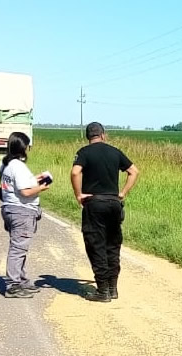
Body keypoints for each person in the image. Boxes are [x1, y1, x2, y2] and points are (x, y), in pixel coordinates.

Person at [70, 122, 140, 302]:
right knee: (113, 244)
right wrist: (122, 193)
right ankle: (112, 287)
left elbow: (75, 172)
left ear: (88, 137)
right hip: (114, 203)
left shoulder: (84, 153)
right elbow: (133, 171)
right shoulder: (114, 151)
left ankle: (102, 291)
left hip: (95, 203)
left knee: (96, 244)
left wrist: (79, 195)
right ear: (103, 135)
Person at [0, 132, 51, 298]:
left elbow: (16, 183)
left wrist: (35, 178)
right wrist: (41, 188)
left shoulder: (4, 163)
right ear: (23, 147)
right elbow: (25, 191)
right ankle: (13, 285)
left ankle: (21, 279)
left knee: (19, 246)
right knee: (18, 248)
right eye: (28, 145)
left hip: (10, 208)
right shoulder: (18, 166)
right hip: (21, 211)